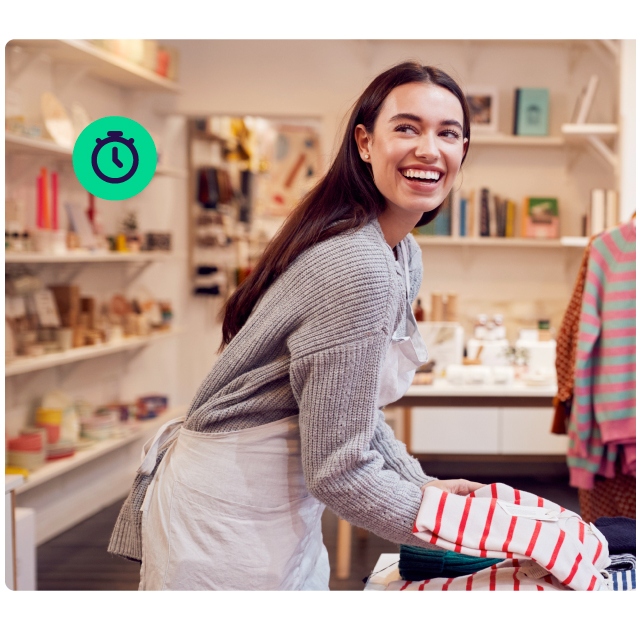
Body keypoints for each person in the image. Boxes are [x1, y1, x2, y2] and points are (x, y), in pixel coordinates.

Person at [108, 61, 484, 590]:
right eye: (407, 127)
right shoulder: (357, 264)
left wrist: (421, 488)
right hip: (227, 510)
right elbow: (340, 470)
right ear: (364, 143)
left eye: (448, 133)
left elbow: (350, 409)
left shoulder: (399, 252)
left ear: (462, 151)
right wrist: (456, 527)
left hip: (280, 499)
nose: (429, 149)